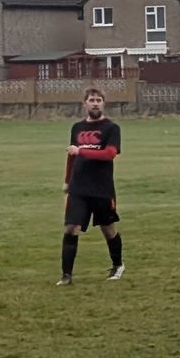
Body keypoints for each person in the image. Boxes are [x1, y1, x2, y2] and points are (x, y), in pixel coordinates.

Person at [61, 89, 125, 285]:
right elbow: (72, 155)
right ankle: (66, 275)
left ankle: (118, 265)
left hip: (101, 188)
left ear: (104, 104)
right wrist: (67, 180)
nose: (95, 103)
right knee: (71, 227)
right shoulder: (77, 128)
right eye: (92, 100)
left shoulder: (111, 128)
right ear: (85, 104)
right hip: (78, 187)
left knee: (108, 229)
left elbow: (109, 154)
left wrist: (82, 150)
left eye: (99, 100)